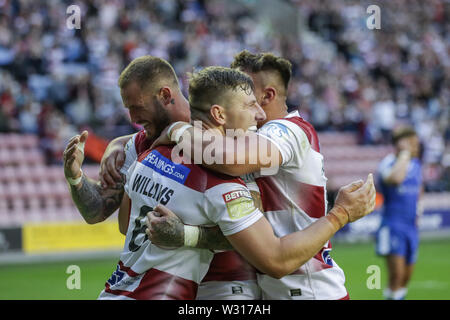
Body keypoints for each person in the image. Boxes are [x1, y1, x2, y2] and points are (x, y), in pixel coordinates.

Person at [146, 50, 375, 300]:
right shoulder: (244, 140)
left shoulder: (288, 130)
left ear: (267, 95)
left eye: (246, 90)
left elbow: (228, 159)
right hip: (277, 289)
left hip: (309, 290)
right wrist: (124, 144)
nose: (236, 90)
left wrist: (178, 130)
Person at [375, 126, 423, 300]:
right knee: (396, 275)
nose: (416, 147)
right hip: (393, 225)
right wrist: (403, 155)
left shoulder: (416, 164)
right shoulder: (388, 163)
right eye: (412, 143)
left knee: (405, 278)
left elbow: (420, 188)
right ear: (401, 144)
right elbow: (396, 179)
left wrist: (419, 209)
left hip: (411, 226)